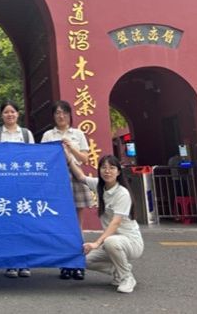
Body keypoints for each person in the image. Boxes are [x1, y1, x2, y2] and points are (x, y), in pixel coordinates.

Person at [66, 154, 144, 293]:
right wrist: (69, 158)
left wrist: (96, 243)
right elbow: (81, 177)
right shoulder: (99, 185)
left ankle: (127, 278)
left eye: (112, 168)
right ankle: (119, 271)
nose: (107, 171)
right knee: (82, 260)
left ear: (118, 172)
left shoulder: (122, 193)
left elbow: (115, 223)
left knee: (110, 241)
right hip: (112, 242)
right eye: (104, 168)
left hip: (131, 243)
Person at [40, 100, 92, 280]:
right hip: (55, 180)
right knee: (60, 224)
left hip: (76, 176)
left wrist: (70, 147)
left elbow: (85, 159)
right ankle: (65, 264)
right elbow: (42, 159)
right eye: (57, 113)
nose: (61, 116)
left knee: (77, 225)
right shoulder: (48, 135)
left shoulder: (78, 134)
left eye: (64, 112)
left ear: (70, 115)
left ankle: (78, 264)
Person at [0, 100, 34, 278]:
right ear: (1, 115)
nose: (10, 115)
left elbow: (34, 157)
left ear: (18, 114)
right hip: (3, 185)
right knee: (8, 223)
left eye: (12, 112)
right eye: (6, 112)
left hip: (23, 185)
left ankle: (25, 262)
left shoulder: (26, 134)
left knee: (25, 223)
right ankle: (10, 263)